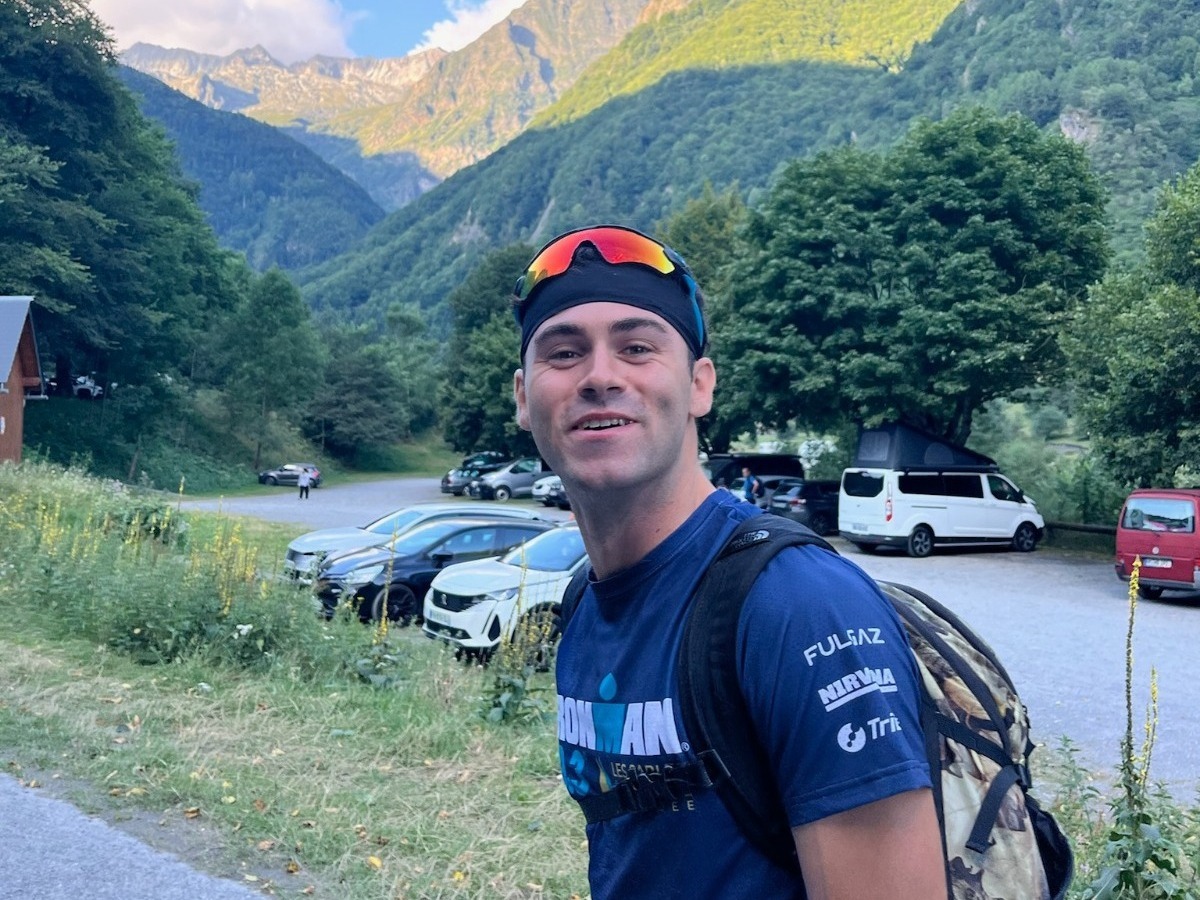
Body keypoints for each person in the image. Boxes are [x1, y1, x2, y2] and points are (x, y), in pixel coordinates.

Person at [511, 225, 945, 899]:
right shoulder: (584, 600)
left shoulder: (799, 606)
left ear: (699, 386)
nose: (600, 377)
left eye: (637, 347)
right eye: (564, 353)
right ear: (523, 397)